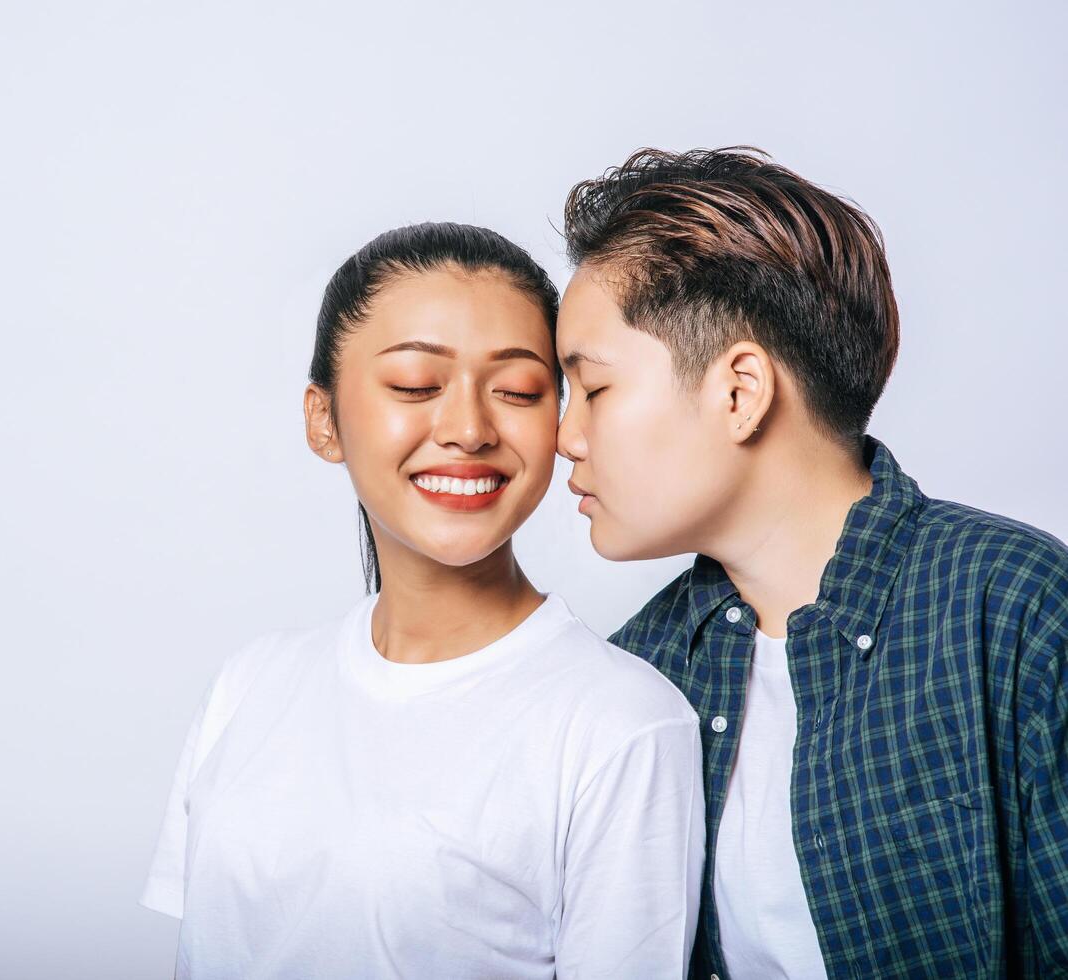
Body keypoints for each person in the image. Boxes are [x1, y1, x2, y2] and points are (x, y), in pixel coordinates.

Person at [555, 147, 1068, 978]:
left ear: (739, 391)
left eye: (595, 389)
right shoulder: (635, 672)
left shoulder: (1007, 603)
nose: (563, 436)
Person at [140, 222, 704, 978]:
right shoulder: (250, 685)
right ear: (322, 419)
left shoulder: (621, 723)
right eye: (413, 386)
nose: (468, 430)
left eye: (517, 391)